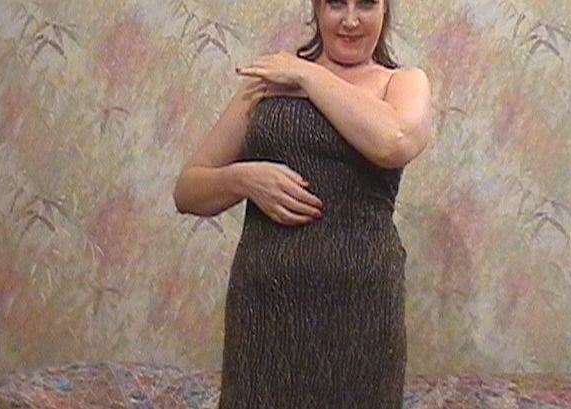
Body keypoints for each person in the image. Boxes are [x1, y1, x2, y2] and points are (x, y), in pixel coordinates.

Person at [173, 0, 431, 407]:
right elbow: (187, 191)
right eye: (336, 4)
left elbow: (394, 141)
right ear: (317, 8)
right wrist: (244, 178)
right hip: (263, 310)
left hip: (361, 312)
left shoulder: (401, 82)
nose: (350, 20)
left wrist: (308, 74)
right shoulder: (269, 82)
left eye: (366, 4)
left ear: (385, 10)